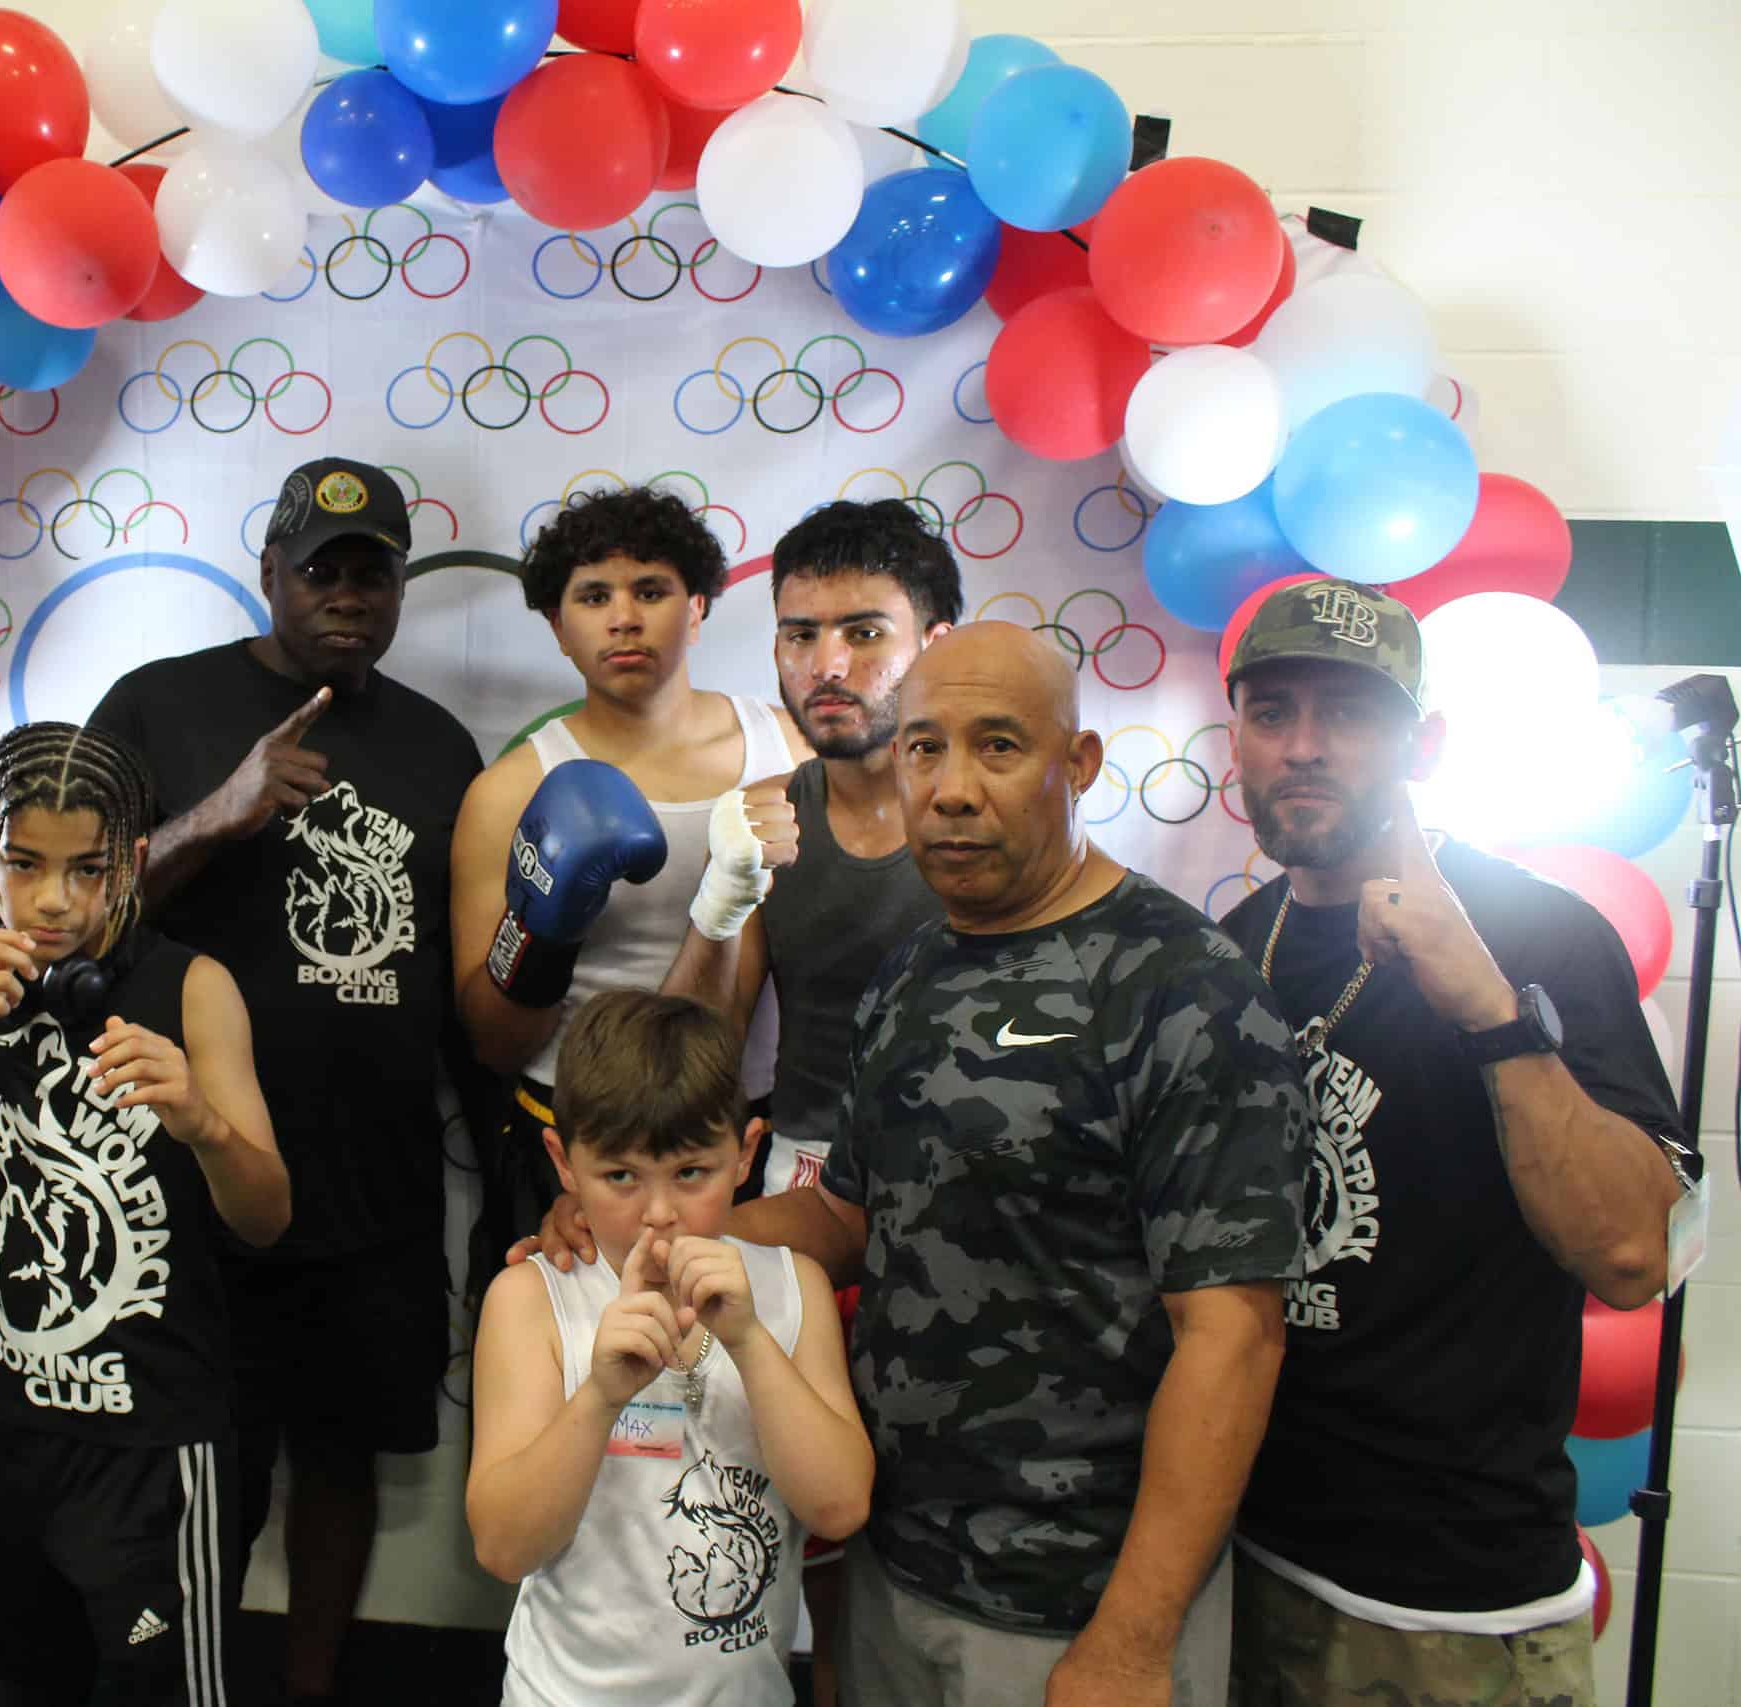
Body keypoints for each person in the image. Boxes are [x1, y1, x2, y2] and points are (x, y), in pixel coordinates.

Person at [535, 621, 1311, 1705]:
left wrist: (1134, 1634)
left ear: (1075, 767)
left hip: (1076, 1601)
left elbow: (1235, 1340)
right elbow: (853, 1212)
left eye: (998, 747)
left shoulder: (1183, 989)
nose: (950, 789)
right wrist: (654, 1230)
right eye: (924, 749)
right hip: (899, 1563)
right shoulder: (915, 969)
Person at [1216, 579, 1695, 1706]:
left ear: (1422, 743)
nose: (1304, 747)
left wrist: (1482, 999)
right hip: (1253, 1557)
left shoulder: (1538, 932)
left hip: (1454, 1606)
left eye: (1350, 714)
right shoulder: (1234, 945)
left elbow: (1634, 1255)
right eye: (1272, 712)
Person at [85, 456, 482, 1706]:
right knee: (199, 1471)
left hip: (374, 1177)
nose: (349, 597)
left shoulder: (437, 743)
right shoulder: (158, 706)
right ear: (270, 574)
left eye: (374, 574)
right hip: (191, 1181)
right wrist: (221, 813)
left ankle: (309, 1690)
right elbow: (76, 920)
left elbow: (461, 984)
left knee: (344, 1460)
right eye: (323, 570)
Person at [0, 720, 291, 1707]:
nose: (53, 901)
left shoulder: (193, 989)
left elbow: (266, 1218)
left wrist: (203, 1121)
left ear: (132, 860)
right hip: (8, 1430)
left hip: (156, 1444)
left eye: (86, 869)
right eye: (26, 865)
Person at [663, 497, 959, 1707]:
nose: (826, 666)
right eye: (798, 635)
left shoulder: (995, 814)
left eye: (865, 633)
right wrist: (721, 899)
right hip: (802, 1186)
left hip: (961, 1200)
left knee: (937, 1507)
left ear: (938, 642)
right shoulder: (773, 823)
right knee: (808, 1523)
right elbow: (699, 1048)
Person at [468, 990, 872, 1707]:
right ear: (563, 1162)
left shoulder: (791, 1288)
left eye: (691, 1172)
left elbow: (838, 1507)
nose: (658, 1211)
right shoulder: (533, 1300)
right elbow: (503, 1548)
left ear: (745, 1152)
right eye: (620, 1176)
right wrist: (598, 1396)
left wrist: (747, 1339)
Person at [450, 485, 804, 1292]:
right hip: (566, 1143)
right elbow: (490, 1042)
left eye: (651, 590)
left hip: (730, 1139)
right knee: (566, 1392)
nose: (624, 617)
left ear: (699, 607)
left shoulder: (781, 756)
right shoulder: (509, 791)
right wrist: (544, 926)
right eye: (593, 595)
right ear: (557, 626)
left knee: (733, 1392)